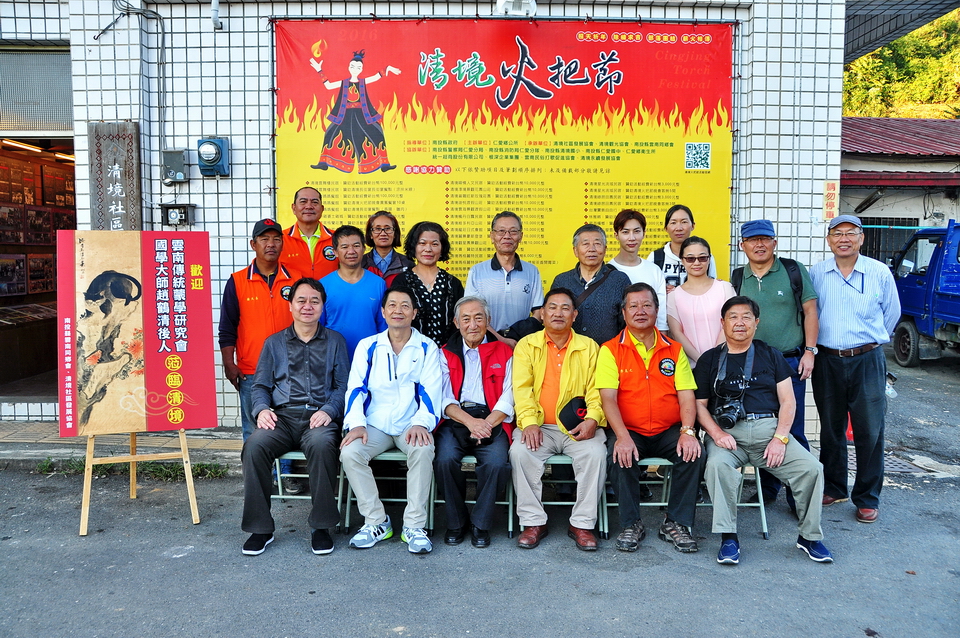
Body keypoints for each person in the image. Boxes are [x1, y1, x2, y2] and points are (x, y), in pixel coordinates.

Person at [695, 296, 833, 565]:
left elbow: (788, 401)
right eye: (733, 317)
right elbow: (699, 406)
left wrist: (781, 438)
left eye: (746, 317)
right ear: (722, 322)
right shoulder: (710, 359)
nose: (740, 323)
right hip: (727, 436)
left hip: (769, 430)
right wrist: (716, 433)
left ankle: (810, 537)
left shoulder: (771, 355)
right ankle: (728, 537)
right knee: (717, 466)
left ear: (756, 323)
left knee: (812, 468)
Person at [240, 277, 350, 557]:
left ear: (323, 307)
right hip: (282, 418)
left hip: (319, 417)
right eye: (301, 300)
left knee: (323, 445)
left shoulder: (336, 341)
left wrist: (329, 410)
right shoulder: (274, 343)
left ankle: (321, 526)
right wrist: (262, 409)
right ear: (290, 306)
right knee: (254, 446)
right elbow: (260, 385)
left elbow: (343, 387)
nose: (307, 306)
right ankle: (260, 528)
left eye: (314, 300)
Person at [598, 283, 703, 553]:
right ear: (623, 312)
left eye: (647, 305)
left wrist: (688, 431)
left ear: (657, 310)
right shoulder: (610, 350)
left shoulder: (674, 349)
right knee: (619, 455)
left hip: (668, 429)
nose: (640, 311)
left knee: (693, 453)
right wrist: (621, 436)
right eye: (633, 306)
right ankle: (631, 523)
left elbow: (686, 395)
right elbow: (608, 398)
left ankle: (676, 522)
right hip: (630, 429)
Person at [810, 215, 900, 525]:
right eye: (837, 234)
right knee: (831, 427)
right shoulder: (817, 272)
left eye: (851, 233)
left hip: (867, 359)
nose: (844, 239)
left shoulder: (878, 272)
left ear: (861, 238)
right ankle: (835, 487)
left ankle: (867, 497)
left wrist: (867, 343)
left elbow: (892, 313)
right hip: (828, 359)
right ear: (829, 240)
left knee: (870, 430)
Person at [340, 287, 444, 554]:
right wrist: (357, 423)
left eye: (405, 306)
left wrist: (421, 422)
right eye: (392, 305)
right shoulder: (368, 345)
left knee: (422, 450)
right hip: (375, 424)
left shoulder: (427, 347)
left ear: (414, 313)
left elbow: (432, 390)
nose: (398, 310)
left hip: (411, 423)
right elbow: (356, 388)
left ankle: (414, 526)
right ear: (383, 312)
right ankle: (376, 521)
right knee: (350, 452)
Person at [510, 288, 607, 551]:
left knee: (596, 454)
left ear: (574, 315)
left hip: (578, 426)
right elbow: (522, 388)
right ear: (541, 314)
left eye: (565, 308)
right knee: (520, 452)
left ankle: (582, 524)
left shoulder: (589, 347)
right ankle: (533, 522)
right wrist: (529, 421)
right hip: (540, 426)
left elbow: (597, 390)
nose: (558, 313)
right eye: (552, 307)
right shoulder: (526, 345)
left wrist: (594, 419)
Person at [732, 219, 819, 509]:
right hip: (752, 366)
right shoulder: (737, 277)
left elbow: (810, 311)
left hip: (790, 360)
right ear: (742, 245)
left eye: (765, 239)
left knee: (791, 429)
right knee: (765, 429)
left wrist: (810, 351)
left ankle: (800, 499)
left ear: (774, 242)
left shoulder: (793, 271)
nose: (759, 245)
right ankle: (768, 488)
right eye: (752, 240)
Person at [435, 296, 514, 548]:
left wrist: (486, 424)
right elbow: (443, 397)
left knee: (497, 463)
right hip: (457, 419)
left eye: (478, 318)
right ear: (456, 322)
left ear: (488, 321)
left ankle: (481, 523)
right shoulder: (444, 352)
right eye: (466, 319)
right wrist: (471, 423)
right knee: (445, 460)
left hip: (493, 418)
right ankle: (456, 522)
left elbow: (510, 393)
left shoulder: (505, 351)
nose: (472, 324)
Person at [218, 219, 300, 442]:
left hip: (292, 369)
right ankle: (256, 478)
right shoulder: (237, 281)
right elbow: (227, 327)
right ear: (253, 244)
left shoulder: (297, 280)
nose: (270, 244)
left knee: (288, 429)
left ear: (283, 244)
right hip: (251, 370)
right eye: (264, 239)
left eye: (276, 239)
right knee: (253, 431)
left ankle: (284, 476)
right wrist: (229, 363)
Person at [309, 49, 399, 173]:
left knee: (378, 132)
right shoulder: (344, 82)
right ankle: (323, 162)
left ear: (361, 69)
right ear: (348, 67)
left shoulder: (363, 82)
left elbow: (376, 77)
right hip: (344, 115)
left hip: (362, 115)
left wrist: (387, 68)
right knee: (329, 133)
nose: (355, 69)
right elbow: (328, 85)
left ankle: (384, 164)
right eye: (352, 66)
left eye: (358, 67)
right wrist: (319, 70)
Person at [464, 211, 544, 341]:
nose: (507, 236)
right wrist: (501, 340)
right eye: (501, 231)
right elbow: (472, 314)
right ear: (492, 236)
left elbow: (539, 312)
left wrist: (517, 335)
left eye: (513, 231)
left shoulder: (532, 271)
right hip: (486, 343)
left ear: (521, 236)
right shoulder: (477, 272)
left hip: (521, 344)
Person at [551, 224, 631, 346]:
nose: (591, 249)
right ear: (575, 251)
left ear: (605, 249)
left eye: (597, 244)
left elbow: (626, 322)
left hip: (607, 355)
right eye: (585, 244)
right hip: (568, 355)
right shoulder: (562, 281)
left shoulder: (619, 280)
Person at [391, 221, 464, 346]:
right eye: (422, 243)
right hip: (410, 353)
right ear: (414, 247)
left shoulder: (453, 283)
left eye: (434, 244)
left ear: (442, 248)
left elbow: (461, 321)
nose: (428, 249)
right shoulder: (401, 282)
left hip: (447, 355)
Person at [666, 237, 735, 367]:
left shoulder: (725, 288)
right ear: (682, 260)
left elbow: (730, 324)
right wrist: (702, 361)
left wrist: (714, 357)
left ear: (709, 259)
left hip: (725, 363)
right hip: (689, 367)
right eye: (690, 258)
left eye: (702, 258)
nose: (696, 263)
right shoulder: (673, 296)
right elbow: (676, 333)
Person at [320, 224, 387, 356]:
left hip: (370, 358)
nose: (351, 251)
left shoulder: (378, 284)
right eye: (344, 247)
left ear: (364, 248)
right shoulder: (323, 285)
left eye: (356, 246)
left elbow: (383, 326)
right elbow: (318, 327)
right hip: (334, 358)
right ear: (335, 251)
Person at [609, 209, 668, 332]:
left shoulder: (654, 270)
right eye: (625, 232)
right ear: (616, 235)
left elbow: (661, 316)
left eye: (636, 231)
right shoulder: (607, 271)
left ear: (643, 233)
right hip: (619, 343)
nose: (632, 238)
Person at [648, 204, 717, 293]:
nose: (679, 228)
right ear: (666, 228)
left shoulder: (705, 258)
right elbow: (648, 291)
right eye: (673, 223)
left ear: (693, 226)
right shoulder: (655, 257)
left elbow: (711, 289)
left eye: (684, 222)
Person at [280, 187, 338, 280]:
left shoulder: (337, 238)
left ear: (322, 209)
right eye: (303, 201)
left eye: (315, 202)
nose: (309, 206)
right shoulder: (281, 239)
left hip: (331, 294)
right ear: (294, 208)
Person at [360, 211, 413, 287]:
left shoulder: (407, 264)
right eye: (378, 229)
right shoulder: (361, 263)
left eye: (387, 228)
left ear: (395, 233)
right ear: (370, 234)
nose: (383, 233)